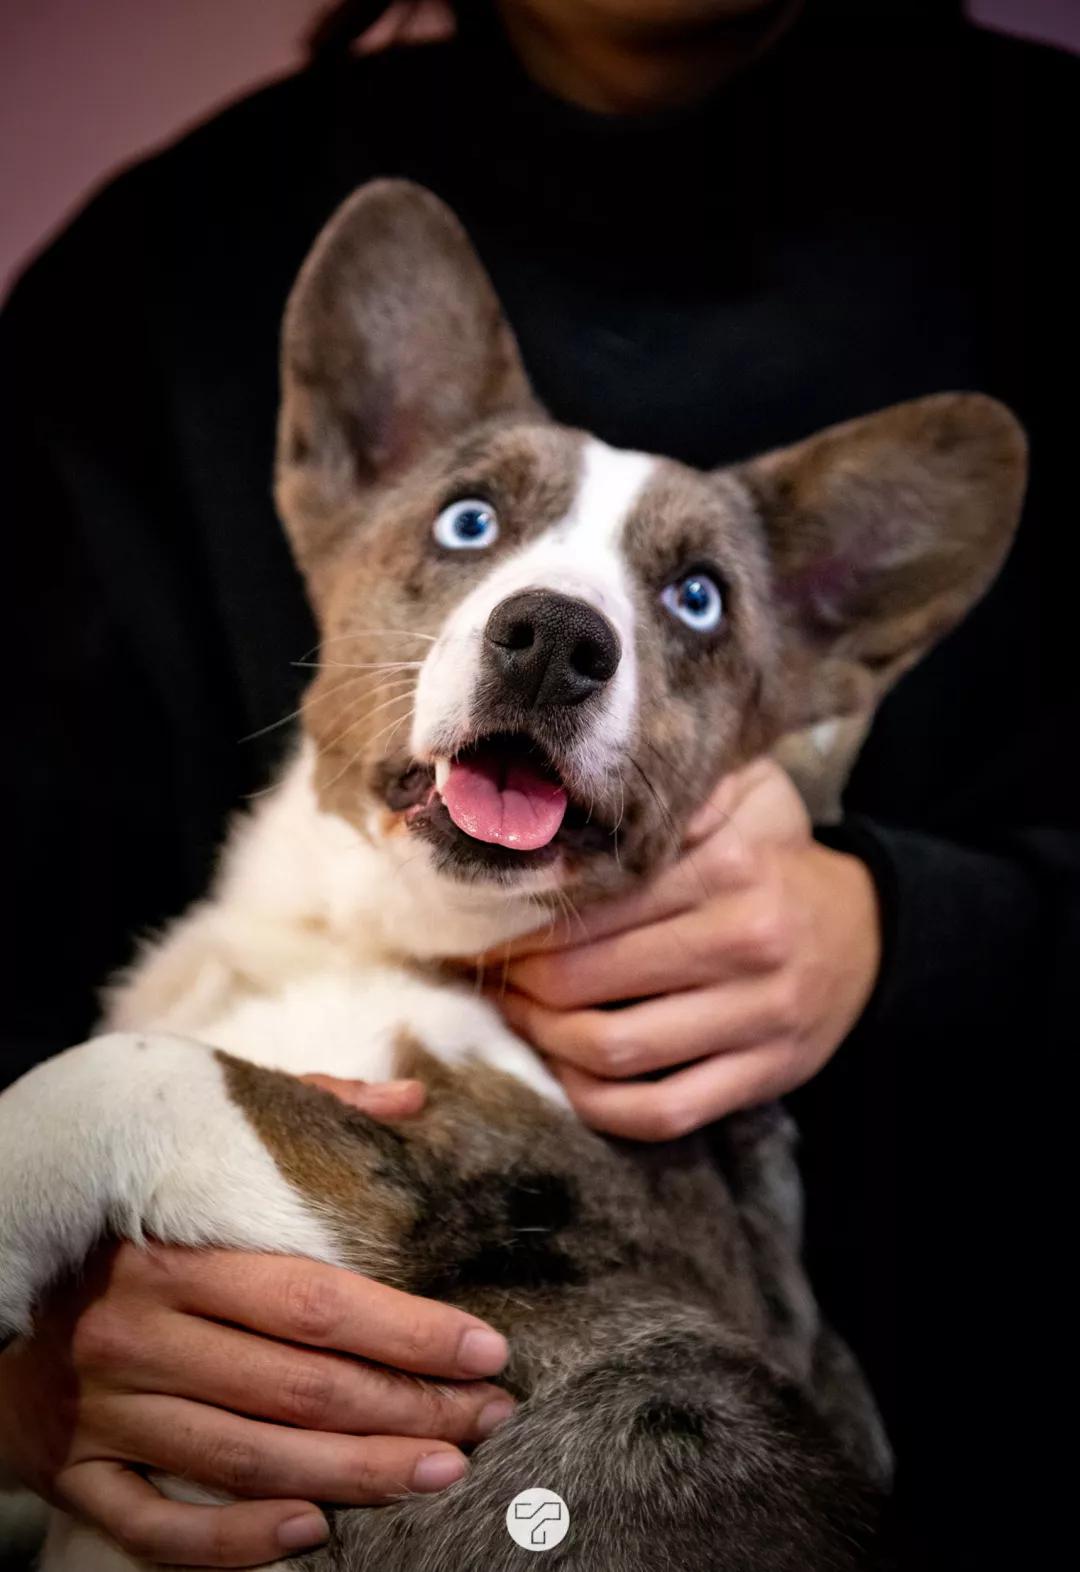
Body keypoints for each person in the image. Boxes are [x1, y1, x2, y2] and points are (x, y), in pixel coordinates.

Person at [0, 1, 1073, 1567]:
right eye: (470, 524)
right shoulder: (161, 268)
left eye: (690, 599)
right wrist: (24, 1369)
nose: (561, 631)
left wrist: (909, 926)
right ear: (348, 472)